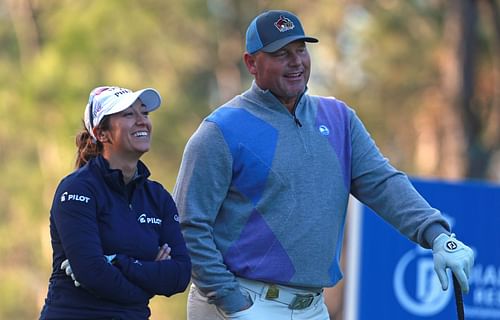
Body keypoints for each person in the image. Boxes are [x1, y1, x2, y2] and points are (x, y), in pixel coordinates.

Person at [173, 9, 475, 320]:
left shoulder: (339, 119)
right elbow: (188, 225)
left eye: (301, 50)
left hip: (312, 307)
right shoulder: (221, 130)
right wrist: (231, 301)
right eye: (281, 54)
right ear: (251, 63)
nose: (296, 62)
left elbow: (383, 183)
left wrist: (439, 236)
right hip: (240, 302)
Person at [40, 86, 191, 319]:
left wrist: (117, 262)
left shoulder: (157, 196)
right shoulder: (77, 189)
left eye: (145, 113)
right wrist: (149, 275)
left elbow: (180, 275)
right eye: (129, 114)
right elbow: (93, 273)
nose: (142, 121)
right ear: (102, 133)